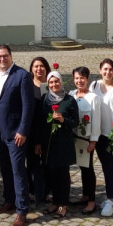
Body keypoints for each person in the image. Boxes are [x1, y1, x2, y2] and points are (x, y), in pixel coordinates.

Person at [0, 44, 34, 226]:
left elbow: (28, 106)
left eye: (5, 56)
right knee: (5, 168)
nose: (2, 59)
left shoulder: (22, 75)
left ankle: (22, 210)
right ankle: (9, 200)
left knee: (18, 171)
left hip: (16, 133)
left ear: (11, 56)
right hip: (0, 133)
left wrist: (23, 130)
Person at [39, 70, 79, 218]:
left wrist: (63, 120)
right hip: (48, 143)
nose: (54, 84)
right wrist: (38, 142)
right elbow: (39, 121)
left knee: (63, 174)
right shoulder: (44, 99)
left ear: (61, 82)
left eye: (56, 82)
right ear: (48, 84)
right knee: (52, 173)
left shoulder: (69, 100)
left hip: (63, 143)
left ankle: (63, 204)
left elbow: (75, 122)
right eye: (51, 82)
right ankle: (55, 202)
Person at [91, 58, 113, 217]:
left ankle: (111, 199)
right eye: (105, 69)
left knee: (109, 167)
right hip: (97, 134)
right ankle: (111, 197)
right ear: (100, 70)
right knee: (101, 166)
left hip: (111, 135)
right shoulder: (94, 86)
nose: (108, 72)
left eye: (111, 69)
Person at [69, 66, 102, 214]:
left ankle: (91, 201)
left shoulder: (93, 98)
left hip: (86, 138)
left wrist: (93, 140)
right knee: (81, 168)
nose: (79, 81)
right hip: (73, 138)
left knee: (88, 169)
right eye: (76, 78)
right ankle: (85, 195)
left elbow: (96, 121)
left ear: (87, 79)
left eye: (82, 78)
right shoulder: (71, 95)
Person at [25, 57, 50, 209]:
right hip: (32, 130)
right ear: (32, 69)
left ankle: (47, 191)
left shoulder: (51, 84)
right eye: (36, 66)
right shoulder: (28, 85)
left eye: (41, 66)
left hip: (48, 131)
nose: (39, 69)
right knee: (32, 163)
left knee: (48, 163)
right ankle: (32, 190)